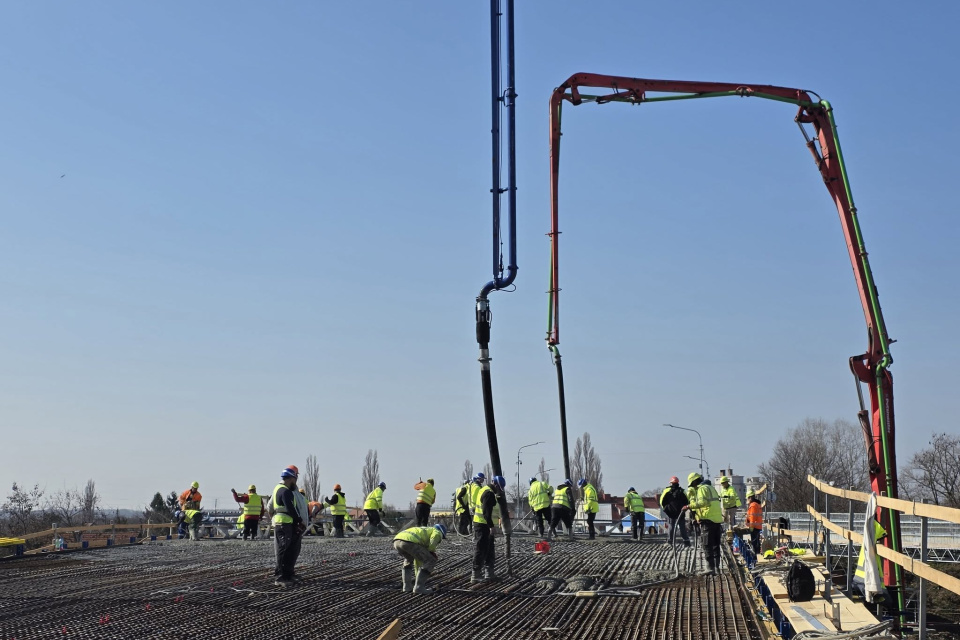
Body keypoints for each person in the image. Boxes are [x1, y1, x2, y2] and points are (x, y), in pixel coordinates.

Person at [684, 472, 723, 575]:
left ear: (695, 481)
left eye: (692, 484)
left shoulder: (701, 489)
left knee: (707, 544)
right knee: (715, 545)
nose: (693, 486)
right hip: (717, 520)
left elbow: (703, 503)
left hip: (708, 520)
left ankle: (710, 568)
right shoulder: (711, 488)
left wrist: (689, 506)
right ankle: (717, 568)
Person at [271, 467, 305, 587]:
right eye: (295, 479)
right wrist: (298, 521)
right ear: (291, 478)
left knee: (290, 549)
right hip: (283, 524)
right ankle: (280, 576)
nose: (295, 482)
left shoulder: (279, 489)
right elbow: (291, 508)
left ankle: (288, 574)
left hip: (286, 523)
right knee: (283, 549)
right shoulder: (284, 491)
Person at [394, 523, 446, 595]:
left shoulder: (425, 530)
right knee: (431, 560)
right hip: (409, 542)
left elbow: (418, 561)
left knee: (409, 560)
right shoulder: (437, 531)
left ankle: (406, 587)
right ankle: (419, 588)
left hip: (397, 541)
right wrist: (431, 551)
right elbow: (435, 537)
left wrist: (417, 575)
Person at [472, 475, 506, 582]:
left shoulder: (486, 490)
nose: (499, 491)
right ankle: (476, 574)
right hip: (483, 525)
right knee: (481, 549)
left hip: (485, 524)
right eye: (499, 488)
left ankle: (489, 573)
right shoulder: (489, 494)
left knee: (490, 549)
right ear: (495, 485)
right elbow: (486, 512)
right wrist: (491, 526)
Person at [660, 476, 691, 547]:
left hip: (671, 513)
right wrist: (685, 508)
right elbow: (687, 501)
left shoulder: (667, 491)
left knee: (671, 527)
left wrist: (666, 509)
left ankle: (670, 542)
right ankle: (686, 542)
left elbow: (662, 502)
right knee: (682, 527)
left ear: (671, 483)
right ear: (678, 482)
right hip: (681, 512)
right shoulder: (682, 491)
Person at [744, 490, 763, 554]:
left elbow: (752, 517)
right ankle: (757, 555)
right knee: (757, 542)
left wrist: (751, 526)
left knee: (755, 542)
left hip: (754, 526)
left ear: (750, 498)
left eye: (747, 498)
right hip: (757, 526)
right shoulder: (757, 504)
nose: (747, 500)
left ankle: (756, 556)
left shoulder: (753, 505)